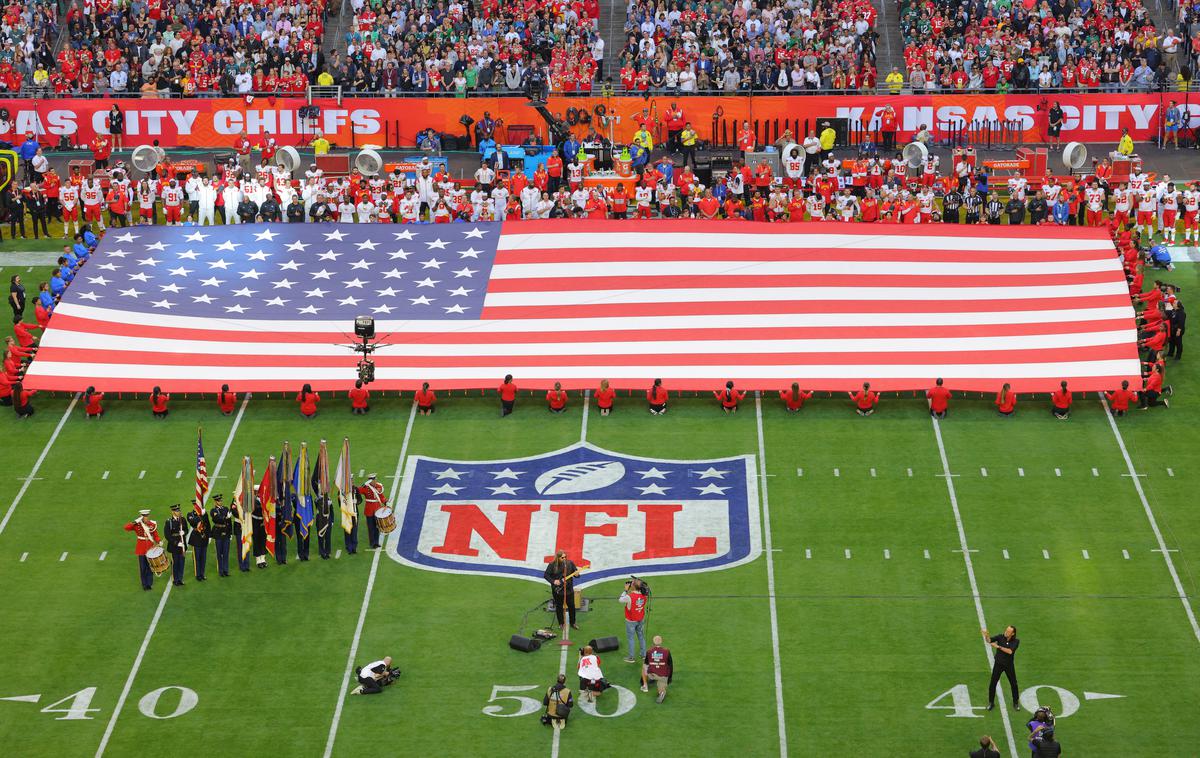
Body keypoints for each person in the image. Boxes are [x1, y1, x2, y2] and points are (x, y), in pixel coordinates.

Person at [982, 625, 1020, 711]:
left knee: (1014, 684)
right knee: (993, 683)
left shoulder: (1016, 641)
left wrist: (998, 647)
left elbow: (1010, 651)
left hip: (1009, 666)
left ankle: (1016, 702)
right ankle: (991, 703)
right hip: (998, 664)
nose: (1006, 632)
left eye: (1009, 631)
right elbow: (989, 640)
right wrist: (986, 636)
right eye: (1006, 630)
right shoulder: (1000, 637)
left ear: (1013, 633)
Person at [124, 508, 161, 590]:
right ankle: (144, 584)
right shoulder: (137, 525)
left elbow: (155, 535)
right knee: (143, 567)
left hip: (150, 548)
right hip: (141, 548)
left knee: (150, 566)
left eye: (147, 516)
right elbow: (126, 527)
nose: (146, 517)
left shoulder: (152, 524)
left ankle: (149, 583)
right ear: (141, 516)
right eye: (144, 516)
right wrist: (135, 522)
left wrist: (159, 541)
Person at [544, 549, 579, 630]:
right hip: (558, 591)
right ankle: (561, 623)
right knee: (559, 607)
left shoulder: (570, 563)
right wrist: (553, 581)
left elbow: (576, 574)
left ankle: (573, 623)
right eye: (562, 558)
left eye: (565, 557)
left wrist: (577, 574)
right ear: (558, 558)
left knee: (572, 606)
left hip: (569, 590)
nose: (564, 559)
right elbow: (546, 575)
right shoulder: (552, 565)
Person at [619, 578, 649, 663]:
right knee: (641, 636)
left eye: (631, 584)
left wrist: (625, 590)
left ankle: (631, 657)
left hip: (631, 621)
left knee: (631, 638)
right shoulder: (644, 594)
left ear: (633, 587)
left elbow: (620, 599)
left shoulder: (629, 596)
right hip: (640, 619)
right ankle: (643, 655)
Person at [357, 473, 387, 550]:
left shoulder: (379, 486)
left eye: (375, 479)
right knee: (371, 527)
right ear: (370, 481)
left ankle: (376, 542)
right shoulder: (366, 487)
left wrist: (386, 502)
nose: (375, 481)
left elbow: (381, 496)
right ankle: (372, 543)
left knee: (377, 526)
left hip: (377, 509)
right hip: (369, 510)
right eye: (373, 480)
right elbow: (358, 491)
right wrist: (363, 485)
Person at [643, 635, 673, 703]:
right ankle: (661, 692)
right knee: (661, 686)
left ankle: (645, 685)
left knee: (644, 666)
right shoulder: (667, 651)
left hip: (652, 674)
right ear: (661, 642)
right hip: (663, 675)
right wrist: (670, 677)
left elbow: (646, 663)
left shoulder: (649, 651)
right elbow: (670, 665)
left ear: (653, 643)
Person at [164, 504, 188, 587]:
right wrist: (176, 543)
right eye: (177, 511)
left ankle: (180, 579)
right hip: (174, 546)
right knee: (175, 563)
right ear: (173, 512)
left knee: (181, 563)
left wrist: (184, 532)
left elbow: (186, 530)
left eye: (179, 511)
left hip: (182, 546)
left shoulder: (183, 519)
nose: (179, 512)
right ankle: (175, 580)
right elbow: (167, 535)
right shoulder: (169, 522)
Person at [209, 494, 233, 577]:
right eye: (219, 501)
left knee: (226, 553)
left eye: (221, 500)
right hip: (218, 534)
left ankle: (226, 570)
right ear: (215, 502)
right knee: (219, 553)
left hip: (226, 533)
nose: (220, 502)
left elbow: (229, 523)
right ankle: (221, 571)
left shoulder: (226, 509)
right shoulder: (213, 511)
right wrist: (226, 517)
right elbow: (217, 519)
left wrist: (230, 533)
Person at [186, 502, 211, 582]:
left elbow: (207, 524)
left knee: (203, 558)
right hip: (196, 539)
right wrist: (200, 515)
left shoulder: (204, 513)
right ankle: (198, 575)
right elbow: (193, 522)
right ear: (194, 506)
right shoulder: (190, 514)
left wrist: (209, 535)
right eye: (197, 506)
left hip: (204, 538)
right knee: (197, 558)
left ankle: (202, 574)